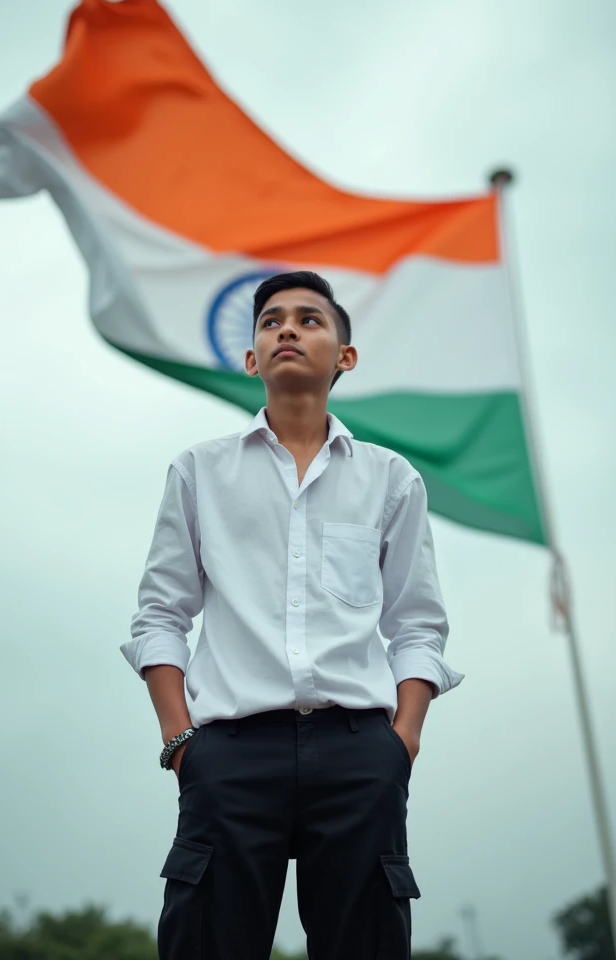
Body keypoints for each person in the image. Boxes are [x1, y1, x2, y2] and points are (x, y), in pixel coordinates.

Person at [121, 270, 463, 960]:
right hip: (229, 755)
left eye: (310, 319)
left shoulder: (391, 478)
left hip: (359, 751)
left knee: (365, 942)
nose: (288, 329)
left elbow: (417, 623)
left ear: (345, 355)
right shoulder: (199, 473)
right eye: (272, 320)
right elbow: (160, 615)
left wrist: (402, 742)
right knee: (205, 942)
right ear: (252, 359)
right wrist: (181, 743)